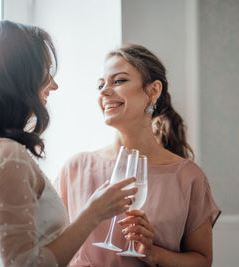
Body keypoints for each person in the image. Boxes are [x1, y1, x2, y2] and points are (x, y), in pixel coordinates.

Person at [0, 20, 137, 267]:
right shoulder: (7, 154)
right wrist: (92, 214)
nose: (54, 85)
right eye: (46, 70)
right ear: (20, 75)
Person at [55, 44, 221, 267]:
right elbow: (48, 248)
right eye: (100, 84)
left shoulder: (188, 177)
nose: (104, 91)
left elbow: (202, 261)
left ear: (153, 90)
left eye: (119, 81)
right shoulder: (75, 169)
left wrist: (152, 253)